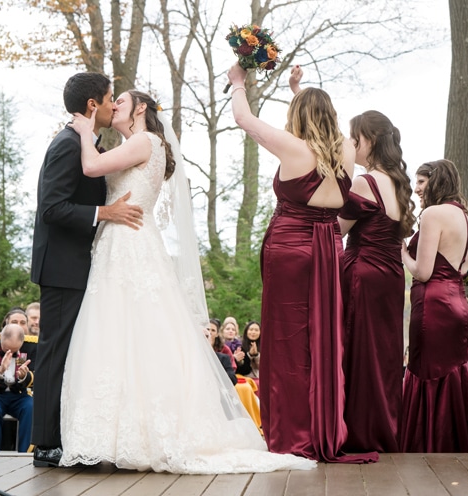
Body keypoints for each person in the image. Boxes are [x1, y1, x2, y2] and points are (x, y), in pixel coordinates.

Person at [57, 86, 313, 473]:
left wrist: (82, 131)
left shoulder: (144, 140)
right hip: (122, 242)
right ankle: (121, 432)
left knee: (128, 330)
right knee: (124, 334)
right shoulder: (143, 143)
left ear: (140, 108)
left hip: (129, 244)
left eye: (121, 102)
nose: (115, 106)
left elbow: (91, 167)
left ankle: (141, 434)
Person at [229, 62, 377, 464]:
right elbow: (317, 123)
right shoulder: (346, 150)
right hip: (329, 250)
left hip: (291, 250)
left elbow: (244, 118)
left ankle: (290, 433)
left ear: (298, 118)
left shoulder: (292, 148)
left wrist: (238, 82)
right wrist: (299, 90)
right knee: (320, 339)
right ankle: (320, 426)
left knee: (286, 341)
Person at [29, 71, 143, 468]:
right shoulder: (65, 145)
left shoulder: (86, 145)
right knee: (54, 355)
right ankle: (45, 444)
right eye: (111, 99)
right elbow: (51, 208)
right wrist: (104, 212)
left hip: (80, 266)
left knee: (72, 355)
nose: (115, 105)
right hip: (61, 267)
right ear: (93, 105)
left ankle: (66, 435)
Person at [336, 110, 415, 453]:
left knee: (356, 351)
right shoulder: (397, 184)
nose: (352, 145)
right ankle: (384, 429)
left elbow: (337, 230)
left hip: (363, 275)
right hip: (391, 278)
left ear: (370, 141)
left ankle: (357, 432)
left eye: (356, 139)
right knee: (382, 355)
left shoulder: (364, 182)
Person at [398, 159, 468, 453]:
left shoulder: (433, 215)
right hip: (458, 303)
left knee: (426, 369)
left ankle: (425, 444)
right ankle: (455, 444)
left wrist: (402, 253)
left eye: (421, 181)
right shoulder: (467, 217)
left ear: (436, 181)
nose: (417, 188)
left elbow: (422, 272)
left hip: (433, 304)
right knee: (453, 372)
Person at [0, 324, 36, 453]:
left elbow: (37, 377)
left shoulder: (32, 346)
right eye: (7, 349)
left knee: (31, 407)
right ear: (0, 338)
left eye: (15, 350)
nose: (11, 353)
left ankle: (24, 455)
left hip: (20, 394)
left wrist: (24, 376)